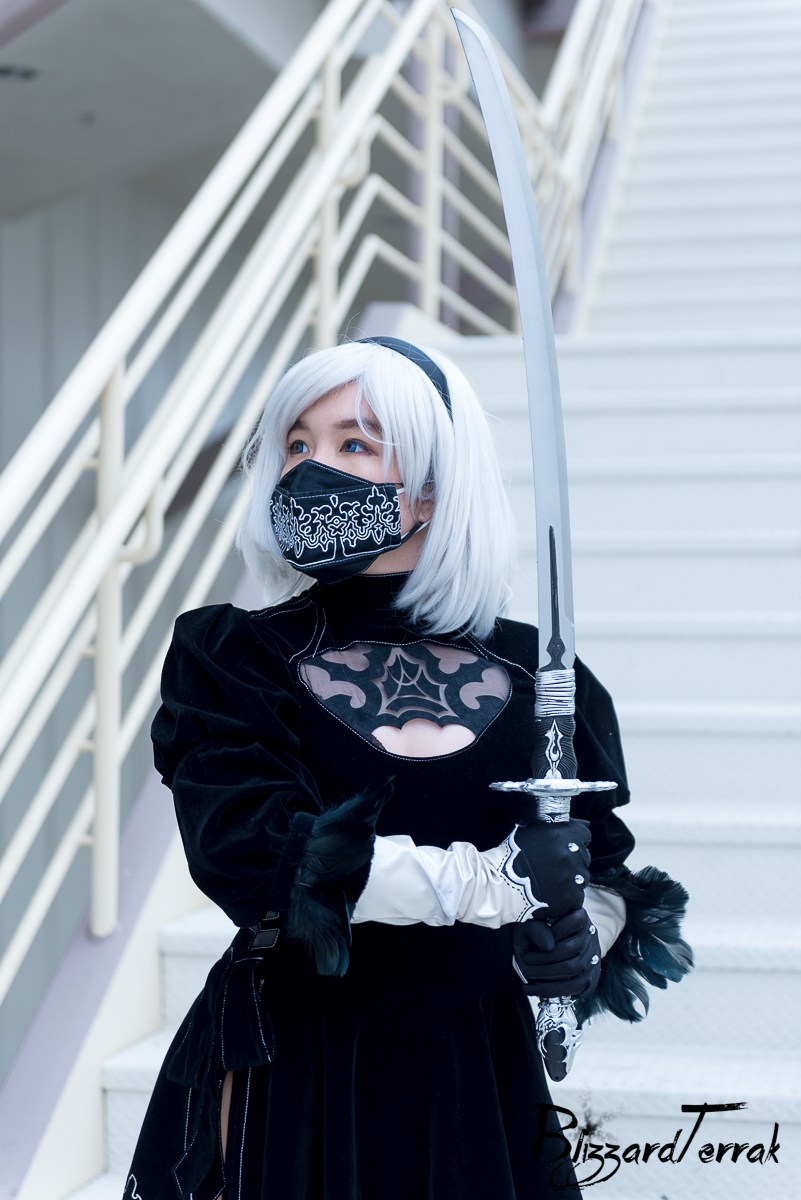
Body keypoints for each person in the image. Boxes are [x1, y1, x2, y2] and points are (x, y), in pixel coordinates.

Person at [125, 338, 691, 1200]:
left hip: (478, 1064)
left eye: (352, 443)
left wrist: (581, 937)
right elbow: (257, 857)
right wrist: (491, 885)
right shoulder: (236, 658)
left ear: (431, 485)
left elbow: (596, 860)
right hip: (301, 1061)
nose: (308, 468)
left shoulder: (539, 672)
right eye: (296, 444)